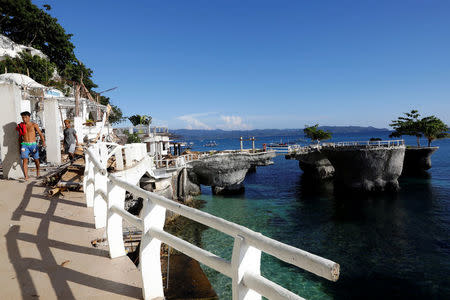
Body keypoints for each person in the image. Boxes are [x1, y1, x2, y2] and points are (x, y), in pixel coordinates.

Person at [17, 111, 46, 180]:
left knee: (36, 160)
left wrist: (43, 142)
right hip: (24, 145)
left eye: (25, 117)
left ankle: (38, 173)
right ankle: (26, 176)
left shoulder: (34, 125)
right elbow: (20, 137)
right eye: (23, 117)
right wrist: (19, 146)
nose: (24, 119)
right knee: (25, 160)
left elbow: (40, 134)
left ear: (29, 117)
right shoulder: (21, 126)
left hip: (33, 145)